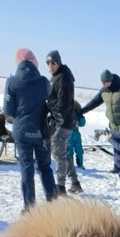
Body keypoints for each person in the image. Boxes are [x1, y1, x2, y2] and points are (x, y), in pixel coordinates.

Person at [3, 49, 57, 211]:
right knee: (45, 167)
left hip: (21, 131)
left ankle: (29, 208)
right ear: (34, 62)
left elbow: (8, 110)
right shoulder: (44, 82)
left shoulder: (11, 82)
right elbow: (50, 103)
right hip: (41, 131)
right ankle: (54, 206)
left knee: (27, 168)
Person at [80, 70, 120, 173]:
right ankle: (117, 168)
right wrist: (81, 111)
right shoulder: (104, 91)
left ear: (111, 80)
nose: (104, 84)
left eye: (106, 82)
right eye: (102, 82)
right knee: (117, 148)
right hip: (113, 125)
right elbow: (94, 103)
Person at [45, 50, 82, 195]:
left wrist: (54, 116)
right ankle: (75, 183)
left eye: (53, 63)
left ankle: (60, 187)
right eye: (48, 63)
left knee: (59, 155)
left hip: (62, 122)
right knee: (64, 153)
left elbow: (63, 102)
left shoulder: (63, 78)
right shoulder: (57, 76)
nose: (50, 65)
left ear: (58, 62)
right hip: (64, 121)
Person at [68, 101, 86, 170]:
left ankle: (80, 164)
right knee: (69, 151)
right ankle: (70, 165)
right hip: (68, 134)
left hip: (76, 134)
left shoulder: (77, 113)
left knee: (79, 151)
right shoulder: (65, 112)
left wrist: (81, 117)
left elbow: (82, 124)